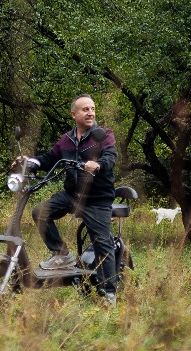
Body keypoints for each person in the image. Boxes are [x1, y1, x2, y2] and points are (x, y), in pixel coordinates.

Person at [17, 94, 119, 303]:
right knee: (40, 212)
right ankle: (61, 254)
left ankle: (109, 293)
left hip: (97, 198)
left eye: (92, 109)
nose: (90, 113)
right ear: (74, 114)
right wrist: (30, 162)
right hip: (72, 195)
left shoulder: (104, 135)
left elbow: (110, 157)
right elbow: (48, 158)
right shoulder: (67, 139)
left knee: (102, 243)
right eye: (85, 109)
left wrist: (98, 165)